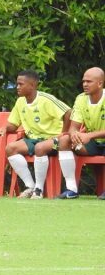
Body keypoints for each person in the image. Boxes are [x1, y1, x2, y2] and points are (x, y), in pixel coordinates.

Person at [0, 70, 70, 199]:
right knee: (10, 148)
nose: (17, 87)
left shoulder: (46, 99)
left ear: (32, 85)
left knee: (40, 148)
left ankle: (39, 190)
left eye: (21, 84)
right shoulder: (20, 102)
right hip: (33, 139)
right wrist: (4, 128)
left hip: (53, 140)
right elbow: (13, 124)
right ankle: (30, 186)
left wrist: (63, 134)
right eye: (17, 84)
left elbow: (68, 112)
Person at [56, 67, 105, 200]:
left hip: (95, 139)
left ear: (100, 83)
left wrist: (89, 135)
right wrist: (74, 135)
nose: (84, 84)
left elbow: (88, 135)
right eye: (84, 81)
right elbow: (73, 127)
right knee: (64, 141)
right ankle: (71, 189)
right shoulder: (81, 98)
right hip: (93, 144)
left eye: (89, 81)